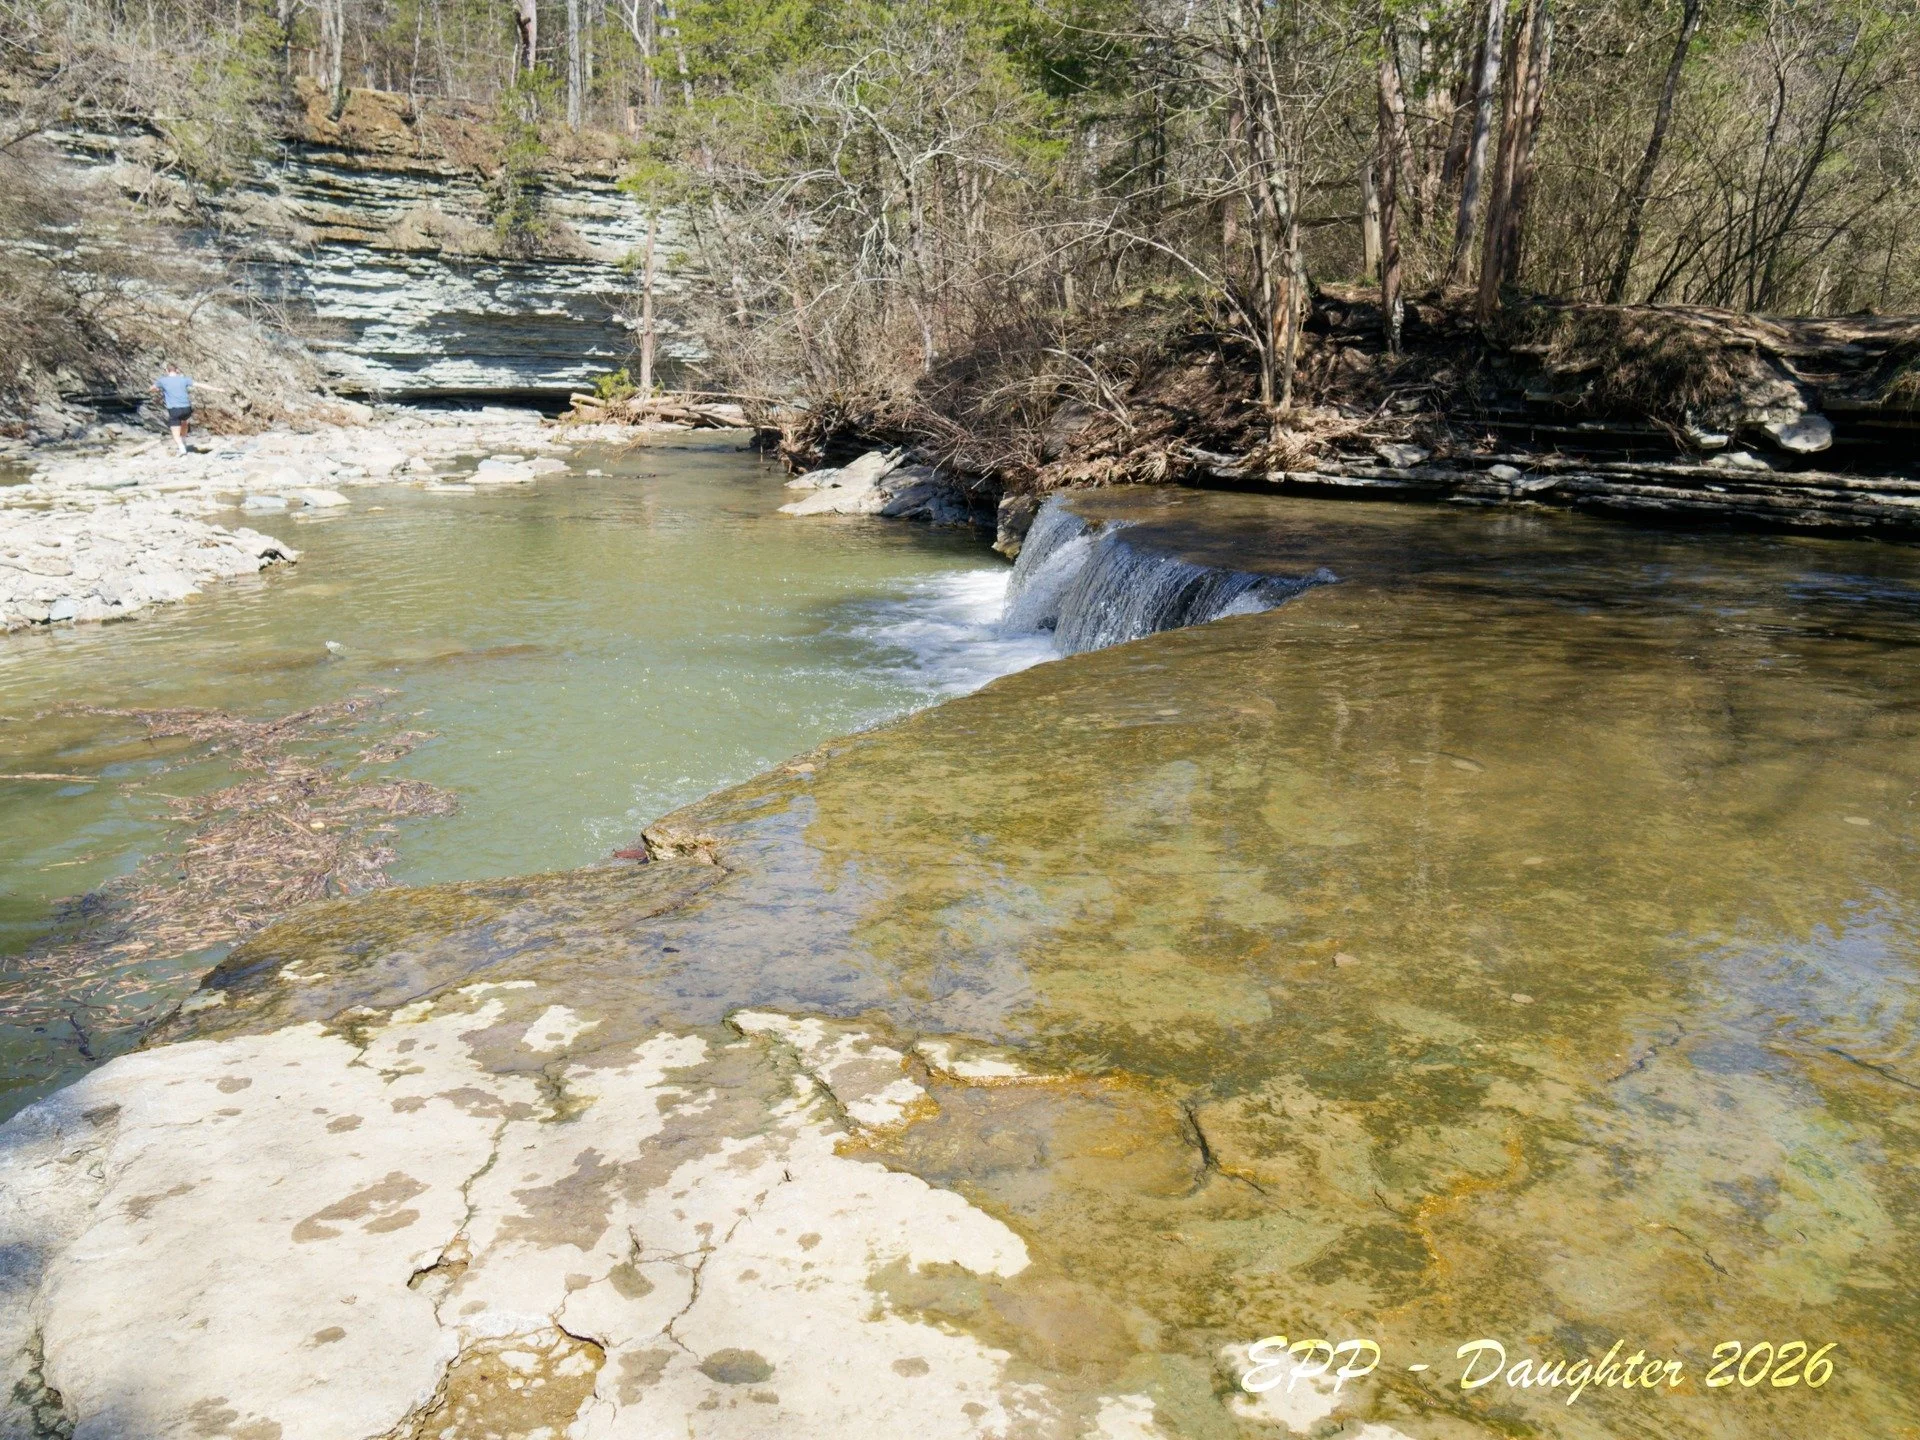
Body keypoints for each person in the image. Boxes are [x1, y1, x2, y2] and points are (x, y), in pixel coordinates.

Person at [150, 363, 201, 456]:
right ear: (177, 370)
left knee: (175, 430)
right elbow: (199, 385)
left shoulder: (162, 380)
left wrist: (155, 390)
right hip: (186, 408)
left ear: (167, 370)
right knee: (184, 421)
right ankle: (184, 440)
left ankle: (181, 448)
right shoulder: (184, 379)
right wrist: (217, 389)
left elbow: (151, 388)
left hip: (174, 409)